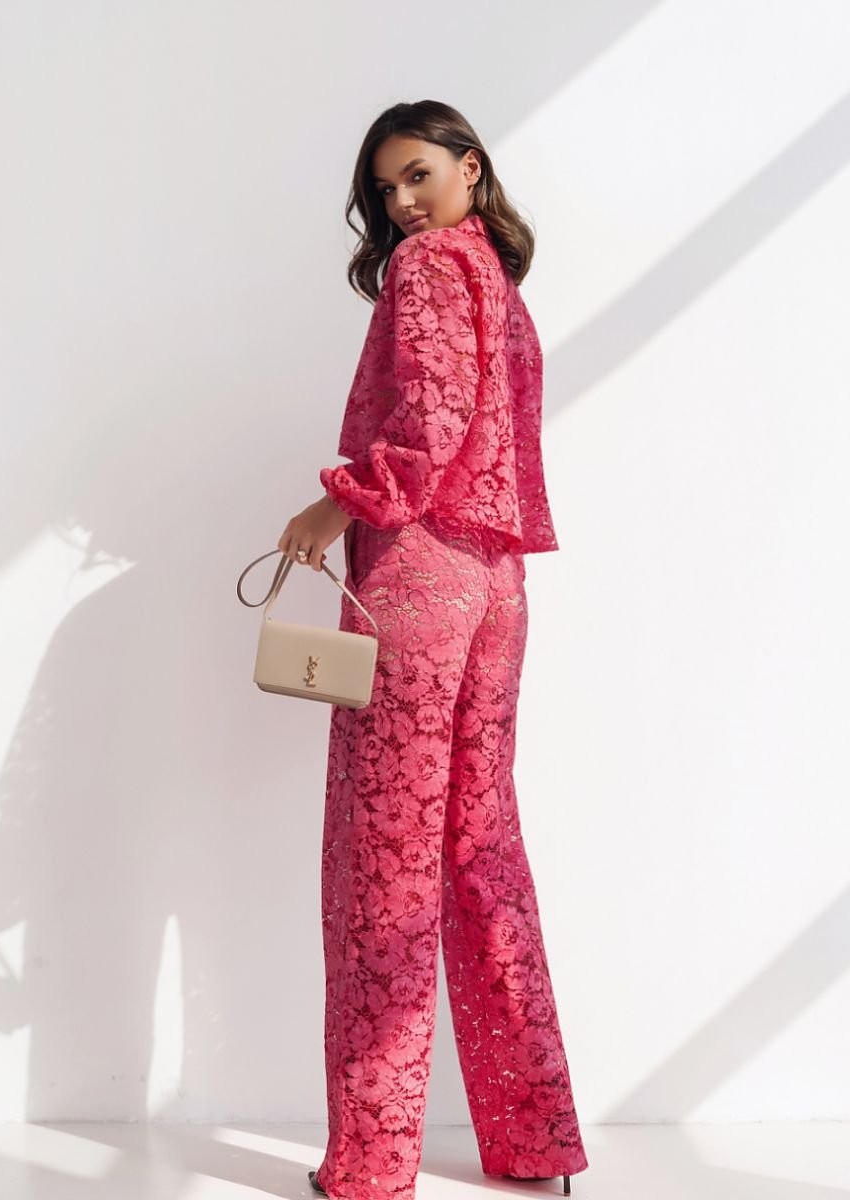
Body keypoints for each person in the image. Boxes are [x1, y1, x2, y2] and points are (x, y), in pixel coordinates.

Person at [277, 100, 588, 1200]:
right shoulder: (499, 284)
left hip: (417, 579)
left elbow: (427, 426)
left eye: (417, 174)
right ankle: (535, 1143)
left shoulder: (426, 270)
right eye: (385, 189)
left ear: (470, 167)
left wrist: (334, 509)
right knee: (479, 848)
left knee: (385, 863)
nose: (402, 203)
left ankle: (369, 1165)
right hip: (497, 584)